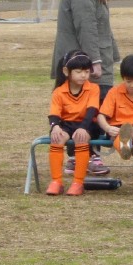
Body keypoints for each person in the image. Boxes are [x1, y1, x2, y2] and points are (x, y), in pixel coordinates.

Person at [51, 0, 118, 178]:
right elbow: (86, 27)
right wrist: (94, 61)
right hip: (83, 63)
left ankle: (88, 154)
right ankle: (83, 156)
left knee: (97, 107)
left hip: (93, 58)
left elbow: (101, 27)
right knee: (85, 109)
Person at [45, 51, 100, 197]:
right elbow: (54, 114)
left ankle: (78, 182)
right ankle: (56, 181)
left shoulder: (93, 88)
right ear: (66, 71)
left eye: (87, 71)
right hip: (66, 124)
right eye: (78, 71)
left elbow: (92, 111)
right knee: (56, 139)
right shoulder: (59, 92)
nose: (83, 75)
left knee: (81, 138)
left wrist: (83, 128)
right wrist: (55, 126)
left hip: (88, 123)